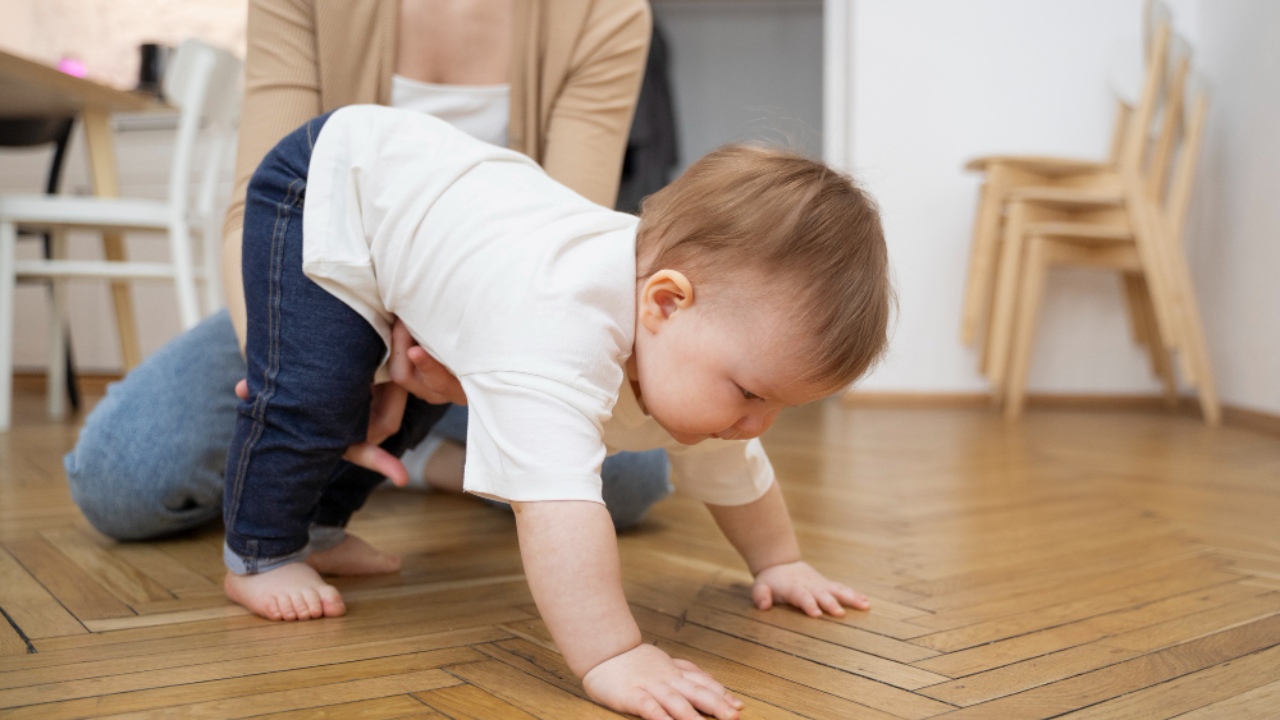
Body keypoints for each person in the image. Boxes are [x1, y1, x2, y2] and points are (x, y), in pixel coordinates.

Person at [222, 105, 892, 720]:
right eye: (752, 394)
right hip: (335, 183)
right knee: (317, 396)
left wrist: (778, 562)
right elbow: (556, 509)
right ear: (663, 304)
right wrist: (612, 654)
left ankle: (322, 529)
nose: (757, 424)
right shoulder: (557, 332)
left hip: (445, 226)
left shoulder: (696, 338)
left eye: (780, 405)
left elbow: (733, 465)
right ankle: (259, 552)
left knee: (421, 401)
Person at [63, 0, 673, 539]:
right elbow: (254, 207)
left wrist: (403, 372)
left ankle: (416, 448)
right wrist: (296, 380)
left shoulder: (605, 11)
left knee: (628, 480)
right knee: (124, 478)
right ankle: (406, 452)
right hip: (310, 292)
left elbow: (553, 252)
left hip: (486, 332)